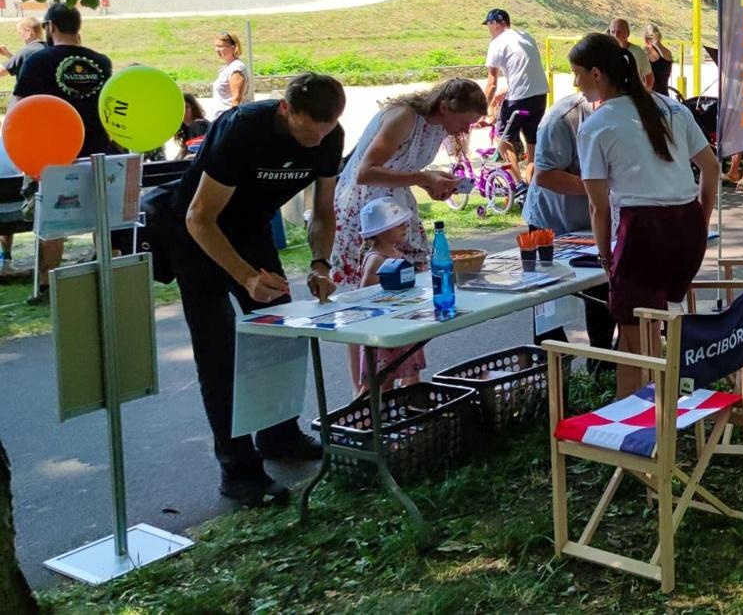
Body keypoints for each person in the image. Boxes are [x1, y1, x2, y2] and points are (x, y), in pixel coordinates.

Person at [143, 73, 346, 506]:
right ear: (285, 110)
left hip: (251, 233)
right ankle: (237, 469)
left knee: (279, 338)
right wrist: (245, 276)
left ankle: (280, 435)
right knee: (220, 355)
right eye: (308, 131)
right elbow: (200, 217)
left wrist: (320, 262)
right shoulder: (243, 129)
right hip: (197, 237)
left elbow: (323, 211)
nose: (316, 142)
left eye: (326, 132)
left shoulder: (330, 135)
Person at [570, 33, 718, 398]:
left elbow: (598, 206)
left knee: (634, 345)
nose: (575, 84)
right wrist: (700, 220)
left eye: (577, 74)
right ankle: (657, 415)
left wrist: (605, 257)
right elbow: (712, 170)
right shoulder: (672, 108)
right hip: (686, 230)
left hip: (642, 235)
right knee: (651, 328)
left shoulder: (596, 125)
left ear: (596, 74)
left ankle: (635, 431)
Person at [329, 78, 486, 292]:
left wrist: (432, 183)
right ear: (444, 107)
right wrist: (423, 178)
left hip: (394, 205)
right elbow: (364, 173)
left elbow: (403, 165)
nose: (466, 130)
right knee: (373, 282)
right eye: (465, 122)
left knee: (408, 276)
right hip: (367, 208)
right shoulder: (404, 117)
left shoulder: (440, 126)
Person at [13, 2, 117, 301]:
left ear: (51, 27)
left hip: (54, 152)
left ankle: (47, 285)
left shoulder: (39, 61)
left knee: (52, 222)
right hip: (98, 149)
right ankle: (106, 274)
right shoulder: (101, 62)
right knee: (102, 216)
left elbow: (19, 107)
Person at [522, 90, 614, 357]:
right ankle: (552, 377)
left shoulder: (629, 113)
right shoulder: (563, 119)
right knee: (547, 306)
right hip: (551, 223)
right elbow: (545, 176)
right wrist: (598, 187)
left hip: (593, 221)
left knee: (602, 297)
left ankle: (602, 366)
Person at [348, 198, 428, 392]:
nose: (405, 226)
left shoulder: (394, 253)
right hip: (383, 332)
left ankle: (410, 412)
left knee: (411, 374)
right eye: (398, 224)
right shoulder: (376, 259)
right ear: (380, 231)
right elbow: (365, 296)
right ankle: (372, 418)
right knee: (382, 383)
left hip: (400, 323)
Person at [482, 8, 548, 185]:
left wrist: (481, 111)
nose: (488, 29)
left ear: (495, 24)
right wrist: (507, 90)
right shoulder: (526, 36)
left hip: (519, 98)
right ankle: (533, 187)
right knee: (532, 143)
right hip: (540, 95)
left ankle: (518, 186)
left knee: (502, 138)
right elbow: (526, 69)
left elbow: (491, 84)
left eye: (488, 25)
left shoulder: (497, 43)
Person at [606, 18, 654, 91]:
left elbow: (649, 79)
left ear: (627, 33)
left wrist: (643, 95)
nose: (615, 35)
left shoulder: (638, 51)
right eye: (613, 32)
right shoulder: (605, 51)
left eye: (619, 32)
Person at [212, 32, 252, 110]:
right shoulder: (226, 68)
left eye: (220, 46)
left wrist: (230, 119)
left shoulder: (237, 69)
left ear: (233, 47)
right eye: (216, 46)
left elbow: (236, 99)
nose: (216, 49)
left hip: (228, 119)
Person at [0, 15, 46, 79]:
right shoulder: (49, 48)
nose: (21, 37)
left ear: (28, 31)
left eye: (20, 33)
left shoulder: (28, 51)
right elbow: (21, 63)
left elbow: (1, 72)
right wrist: (7, 54)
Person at [175, 93, 211, 160]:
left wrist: (187, 158)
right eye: (179, 108)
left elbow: (203, 152)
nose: (183, 111)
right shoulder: (187, 128)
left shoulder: (199, 124)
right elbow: (182, 152)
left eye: (186, 107)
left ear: (193, 108)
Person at [642, 24, 673, 95]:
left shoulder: (647, 50)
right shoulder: (668, 52)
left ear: (646, 38)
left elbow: (641, 74)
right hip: (664, 94)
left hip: (652, 94)